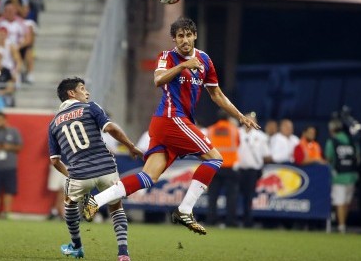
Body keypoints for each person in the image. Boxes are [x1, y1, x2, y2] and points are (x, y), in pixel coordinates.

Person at [82, 17, 259, 235]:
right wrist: (184, 65)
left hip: (173, 124)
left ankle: (95, 200)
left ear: (194, 35)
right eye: (179, 36)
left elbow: (216, 94)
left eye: (188, 35)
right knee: (215, 158)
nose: (184, 40)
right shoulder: (168, 57)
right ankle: (185, 210)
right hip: (171, 119)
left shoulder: (205, 60)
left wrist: (240, 116)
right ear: (174, 39)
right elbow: (158, 80)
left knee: (148, 178)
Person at [48, 77, 143, 260]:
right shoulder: (91, 107)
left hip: (79, 174)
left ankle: (76, 246)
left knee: (69, 204)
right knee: (116, 206)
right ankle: (123, 253)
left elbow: (54, 161)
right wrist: (130, 146)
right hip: (106, 168)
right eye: (82, 88)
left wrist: (71, 176)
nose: (87, 92)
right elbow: (111, 129)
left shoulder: (53, 124)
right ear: (71, 93)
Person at [237, 112, 272, 228]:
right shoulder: (237, 133)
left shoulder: (261, 136)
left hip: (253, 170)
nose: (249, 122)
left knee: (249, 196)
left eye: (252, 120)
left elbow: (266, 155)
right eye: (247, 119)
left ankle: (247, 221)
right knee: (235, 195)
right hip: (238, 169)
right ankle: (233, 219)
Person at [206, 110, 240, 227]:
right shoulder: (234, 130)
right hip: (230, 167)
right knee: (231, 196)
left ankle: (211, 219)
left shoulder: (210, 130)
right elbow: (238, 144)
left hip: (215, 166)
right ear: (228, 118)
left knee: (212, 195)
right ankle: (230, 221)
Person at [325, 119, 358, 233]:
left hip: (338, 176)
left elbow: (328, 158)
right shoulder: (351, 140)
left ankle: (341, 226)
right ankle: (343, 224)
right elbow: (357, 157)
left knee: (339, 201)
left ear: (332, 129)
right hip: (352, 175)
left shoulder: (332, 141)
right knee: (346, 202)